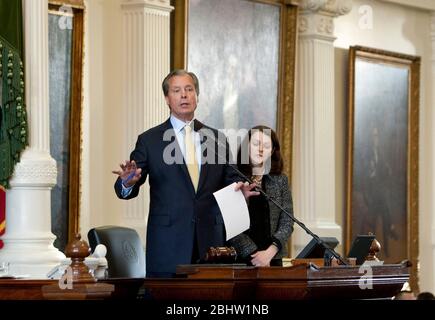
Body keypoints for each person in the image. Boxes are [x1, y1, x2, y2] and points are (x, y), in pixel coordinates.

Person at [112, 69, 259, 278]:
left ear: (196, 97)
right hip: (168, 244)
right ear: (167, 99)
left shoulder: (217, 139)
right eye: (177, 90)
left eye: (189, 89)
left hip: (210, 245)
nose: (184, 95)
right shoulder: (150, 140)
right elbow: (128, 184)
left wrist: (239, 195)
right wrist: (127, 183)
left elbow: (232, 182)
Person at [227, 126, 294, 267]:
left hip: (273, 258)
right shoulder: (232, 176)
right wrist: (255, 255)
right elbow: (231, 224)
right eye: (256, 144)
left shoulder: (280, 180)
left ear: (273, 151)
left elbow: (287, 222)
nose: (261, 149)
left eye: (267, 146)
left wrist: (270, 252)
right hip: (242, 260)